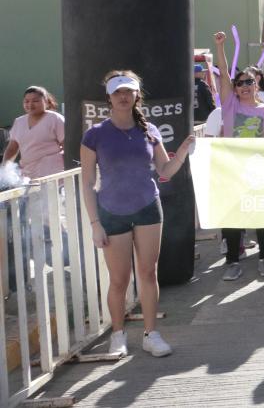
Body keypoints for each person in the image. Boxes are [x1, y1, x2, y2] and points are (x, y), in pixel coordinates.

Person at [80, 71, 195, 358]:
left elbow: (165, 172)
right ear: (109, 97)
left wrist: (181, 152)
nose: (123, 96)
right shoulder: (94, 134)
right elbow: (86, 181)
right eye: (118, 92)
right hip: (111, 211)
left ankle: (150, 334)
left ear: (136, 96)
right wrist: (95, 223)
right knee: (119, 279)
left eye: (128, 91)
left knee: (147, 272)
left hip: (147, 208)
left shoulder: (150, 130)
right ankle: (117, 335)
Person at [212, 32, 264, 281]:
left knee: (260, 213)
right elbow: (225, 73)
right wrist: (220, 47)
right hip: (232, 168)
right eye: (240, 83)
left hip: (259, 168)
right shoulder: (231, 105)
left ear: (257, 84)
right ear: (235, 89)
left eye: (249, 82)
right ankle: (232, 261)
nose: (245, 86)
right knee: (233, 214)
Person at [3, 86, 65, 180]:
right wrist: (5, 170)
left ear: (46, 101)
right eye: (26, 101)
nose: (30, 105)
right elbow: (12, 149)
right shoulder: (19, 122)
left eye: (35, 101)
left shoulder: (55, 119)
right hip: (28, 176)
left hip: (54, 175)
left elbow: (67, 146)